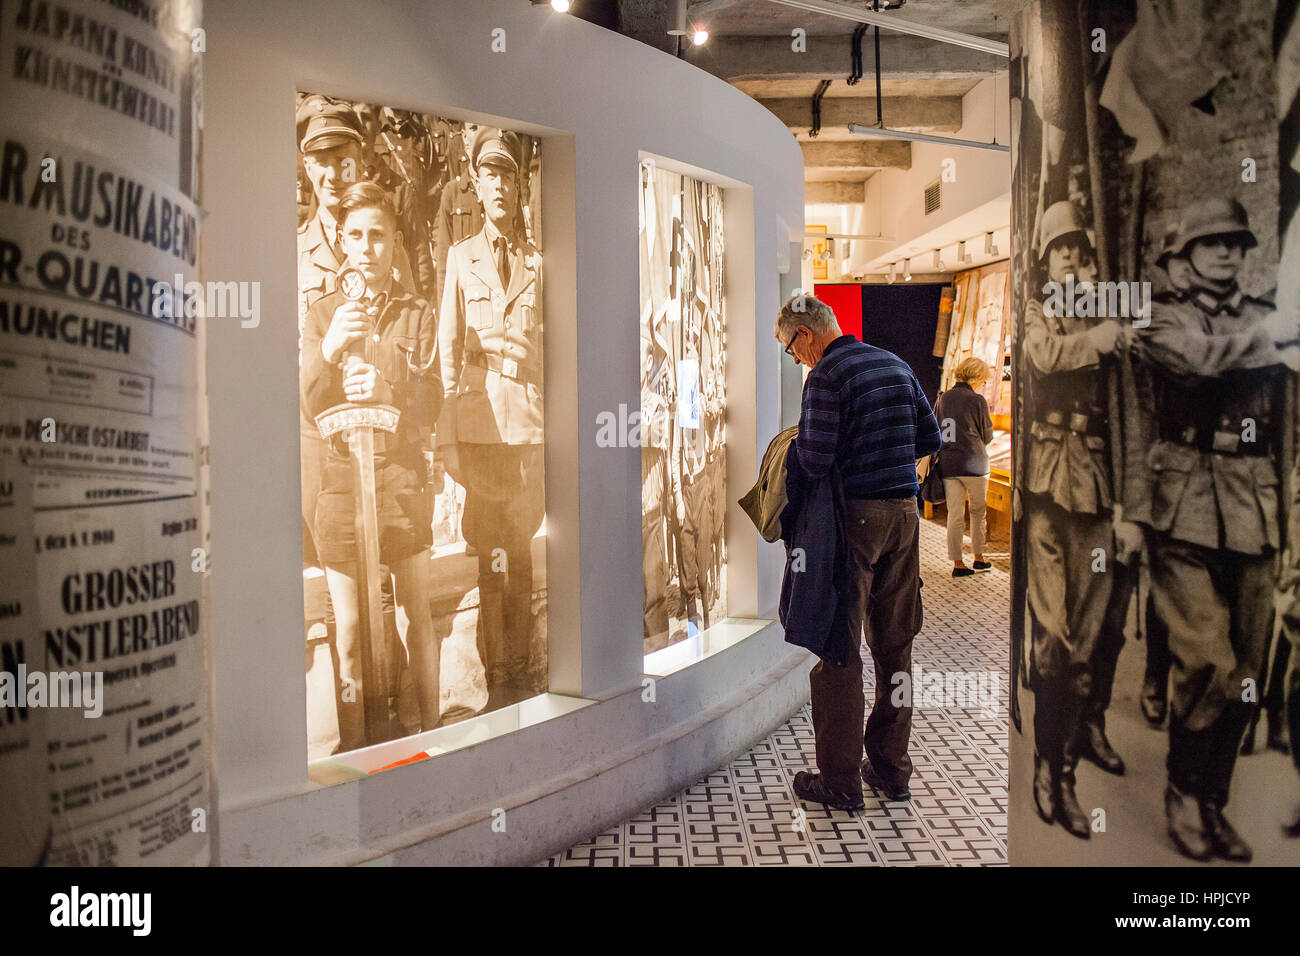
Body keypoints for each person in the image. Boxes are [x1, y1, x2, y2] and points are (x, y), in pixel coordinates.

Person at [1125, 197, 1298, 861]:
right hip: (1184, 502)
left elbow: (1282, 424)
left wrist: (1284, 520)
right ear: (1182, 254)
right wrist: (1278, 337)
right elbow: (1198, 361)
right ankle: (1182, 792)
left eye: (1234, 242)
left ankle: (1213, 801)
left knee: (1249, 672)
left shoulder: (1264, 317)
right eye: (1211, 242)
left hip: (1254, 506)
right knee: (1206, 659)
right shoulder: (1161, 316)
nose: (1226, 252)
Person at [779, 295, 940, 810]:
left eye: (790, 348)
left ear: (806, 334)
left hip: (855, 523)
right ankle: (892, 771)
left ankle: (841, 782)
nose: (795, 358)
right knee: (896, 649)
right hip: (905, 519)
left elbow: (817, 457)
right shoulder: (894, 362)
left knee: (839, 649)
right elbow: (931, 436)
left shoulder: (826, 376)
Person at [301, 182, 444, 750]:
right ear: (341, 240)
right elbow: (308, 403)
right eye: (355, 235)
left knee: (415, 618)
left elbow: (433, 400)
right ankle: (360, 757)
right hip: (339, 487)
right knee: (354, 632)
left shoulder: (417, 314)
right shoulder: (321, 314)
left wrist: (389, 378)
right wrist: (331, 349)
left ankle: (430, 740)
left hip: (400, 483)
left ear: (394, 243)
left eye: (378, 235)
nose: (367, 247)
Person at [1021, 201, 1130, 839]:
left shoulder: (1107, 306)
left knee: (1086, 643)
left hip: (1095, 484)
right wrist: (1094, 339)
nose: (1067, 256)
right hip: (1043, 481)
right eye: (1057, 248)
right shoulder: (1041, 309)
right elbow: (1041, 356)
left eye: (1075, 248)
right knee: (1053, 639)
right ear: (1046, 256)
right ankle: (1045, 769)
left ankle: (1065, 769)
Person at [438, 128, 544, 709]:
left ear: (516, 184)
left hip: (526, 431)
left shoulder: (538, 263)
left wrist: (539, 360)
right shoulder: (459, 258)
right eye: (490, 174)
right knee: (489, 556)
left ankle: (521, 672)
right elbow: (447, 352)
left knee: (520, 554)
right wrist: (448, 439)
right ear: (476, 185)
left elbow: (556, 355)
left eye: (508, 174)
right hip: (480, 434)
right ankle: (495, 680)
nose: (499, 185)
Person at [933, 357, 994, 577]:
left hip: (949, 464)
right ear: (976, 377)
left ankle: (957, 564)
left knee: (955, 514)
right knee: (978, 513)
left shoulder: (943, 398)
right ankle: (979, 558)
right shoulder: (977, 400)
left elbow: (937, 430)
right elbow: (987, 435)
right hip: (975, 463)